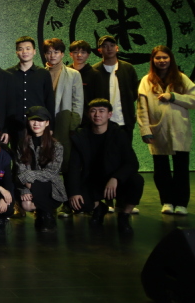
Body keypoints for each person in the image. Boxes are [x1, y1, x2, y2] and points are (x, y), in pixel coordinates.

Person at [67, 99, 144, 234]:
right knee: (77, 203)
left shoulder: (119, 134)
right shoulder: (80, 136)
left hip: (114, 181)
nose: (97, 114)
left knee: (137, 180)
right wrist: (74, 192)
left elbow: (132, 163)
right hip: (92, 181)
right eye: (93, 111)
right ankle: (99, 208)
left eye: (101, 111)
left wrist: (116, 178)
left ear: (109, 114)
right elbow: (73, 166)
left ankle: (124, 216)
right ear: (88, 114)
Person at [137, 46, 194, 216]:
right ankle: (167, 201)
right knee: (161, 169)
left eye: (165, 57)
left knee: (181, 168)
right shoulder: (147, 80)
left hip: (179, 129)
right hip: (158, 130)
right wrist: (145, 129)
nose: (162, 61)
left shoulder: (181, 78)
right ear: (153, 60)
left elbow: (193, 99)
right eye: (158, 58)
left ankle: (181, 203)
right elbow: (142, 108)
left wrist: (174, 97)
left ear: (171, 59)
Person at [15, 106, 67, 233]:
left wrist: (29, 180)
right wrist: (26, 188)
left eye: (40, 120)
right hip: (27, 184)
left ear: (47, 123)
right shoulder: (22, 144)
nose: (36, 123)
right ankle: (45, 213)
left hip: (50, 186)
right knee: (26, 205)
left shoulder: (56, 146)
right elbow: (20, 169)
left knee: (42, 186)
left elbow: (51, 172)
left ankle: (46, 214)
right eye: (33, 120)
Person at [42, 38, 84, 172]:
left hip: (64, 120)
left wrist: (74, 123)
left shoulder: (73, 74)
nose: (52, 55)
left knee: (65, 158)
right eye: (49, 52)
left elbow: (78, 101)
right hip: (45, 121)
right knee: (45, 157)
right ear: (45, 55)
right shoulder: (40, 73)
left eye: (56, 52)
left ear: (62, 54)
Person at [6, 36, 55, 146]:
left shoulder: (43, 74)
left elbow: (49, 101)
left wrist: (51, 126)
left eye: (28, 48)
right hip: (15, 126)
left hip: (38, 126)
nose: (24, 52)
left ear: (34, 51)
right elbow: (5, 103)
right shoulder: (8, 74)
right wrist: (5, 129)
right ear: (16, 52)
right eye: (21, 49)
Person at [90, 35, 139, 138]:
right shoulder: (94, 71)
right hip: (102, 123)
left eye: (112, 45)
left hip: (125, 121)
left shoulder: (128, 68)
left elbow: (134, 93)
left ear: (117, 48)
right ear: (99, 50)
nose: (109, 48)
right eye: (105, 46)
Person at [69, 40, 96, 104]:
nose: (79, 55)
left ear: (88, 55)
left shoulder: (94, 74)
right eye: (75, 52)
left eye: (83, 52)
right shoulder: (66, 72)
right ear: (71, 54)